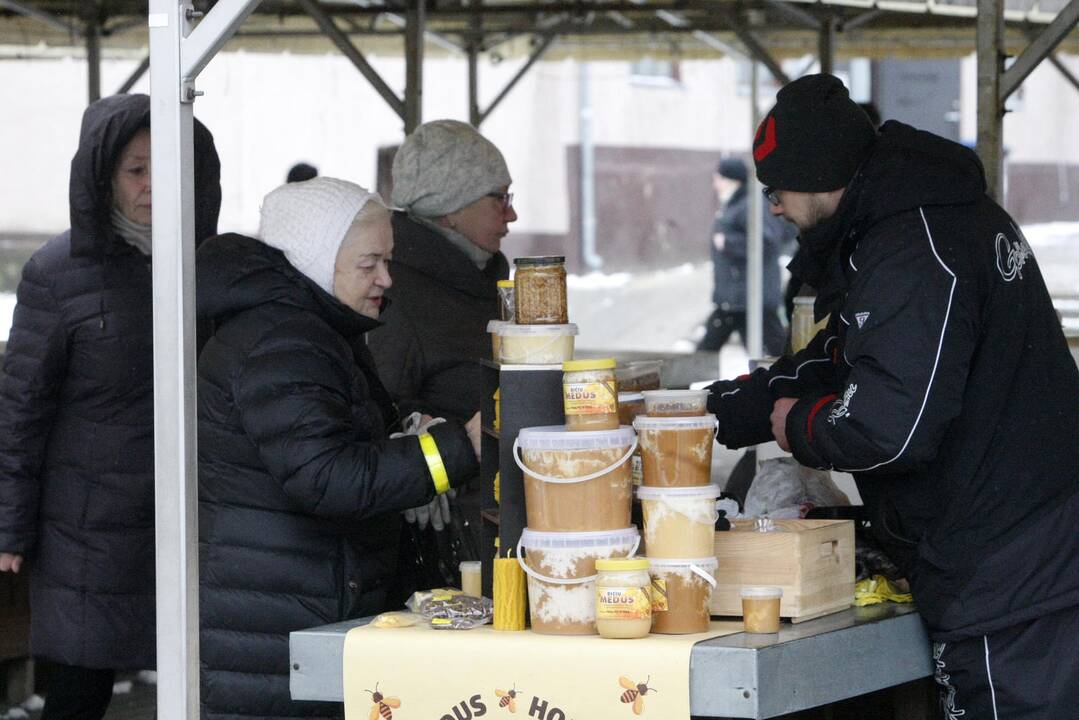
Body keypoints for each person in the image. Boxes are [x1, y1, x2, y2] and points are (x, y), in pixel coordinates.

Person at [707, 74, 1079, 717]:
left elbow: (888, 428)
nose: (771, 207)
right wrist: (722, 410)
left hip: (1011, 567)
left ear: (821, 176)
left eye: (776, 189)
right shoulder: (914, 222)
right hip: (1019, 547)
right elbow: (847, 356)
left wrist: (796, 426)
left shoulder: (913, 247)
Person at [195, 177, 480, 719]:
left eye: (388, 260)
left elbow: (327, 442)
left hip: (289, 603)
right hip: (277, 622)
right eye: (369, 263)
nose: (387, 279)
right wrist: (455, 449)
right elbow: (328, 477)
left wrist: (400, 434)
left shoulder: (311, 330)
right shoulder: (284, 342)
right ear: (316, 259)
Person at [0, 93, 221, 719]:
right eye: (136, 169)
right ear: (102, 175)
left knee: (196, 687)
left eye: (167, 167)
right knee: (80, 688)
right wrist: (10, 527)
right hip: (86, 527)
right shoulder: (57, 272)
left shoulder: (209, 267)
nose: (154, 185)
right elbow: (22, 410)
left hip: (185, 515)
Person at [368, 119, 516, 422]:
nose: (511, 214)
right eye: (500, 198)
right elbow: (385, 425)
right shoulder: (393, 296)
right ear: (449, 205)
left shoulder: (483, 280)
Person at [698, 157, 793, 356]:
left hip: (752, 298)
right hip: (736, 299)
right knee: (707, 352)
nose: (715, 184)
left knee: (774, 355)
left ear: (732, 180)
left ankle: (789, 383)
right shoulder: (735, 203)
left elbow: (767, 242)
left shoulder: (751, 205)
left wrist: (728, 243)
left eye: (719, 178)